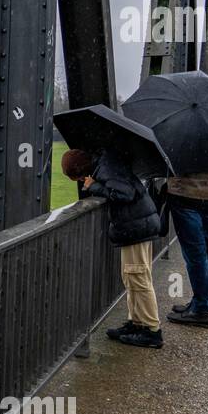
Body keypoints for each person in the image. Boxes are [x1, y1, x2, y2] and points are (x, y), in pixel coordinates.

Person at [61, 148, 164, 349]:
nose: (82, 180)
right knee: (132, 277)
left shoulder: (106, 169)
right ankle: (137, 323)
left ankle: (152, 330)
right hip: (134, 226)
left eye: (80, 177)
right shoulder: (105, 164)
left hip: (137, 227)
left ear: (82, 169)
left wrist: (95, 186)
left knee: (139, 277)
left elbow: (125, 194)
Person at [166, 169, 208, 328]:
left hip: (187, 194)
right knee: (207, 250)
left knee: (196, 254)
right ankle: (204, 300)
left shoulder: (185, 143)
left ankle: (202, 308)